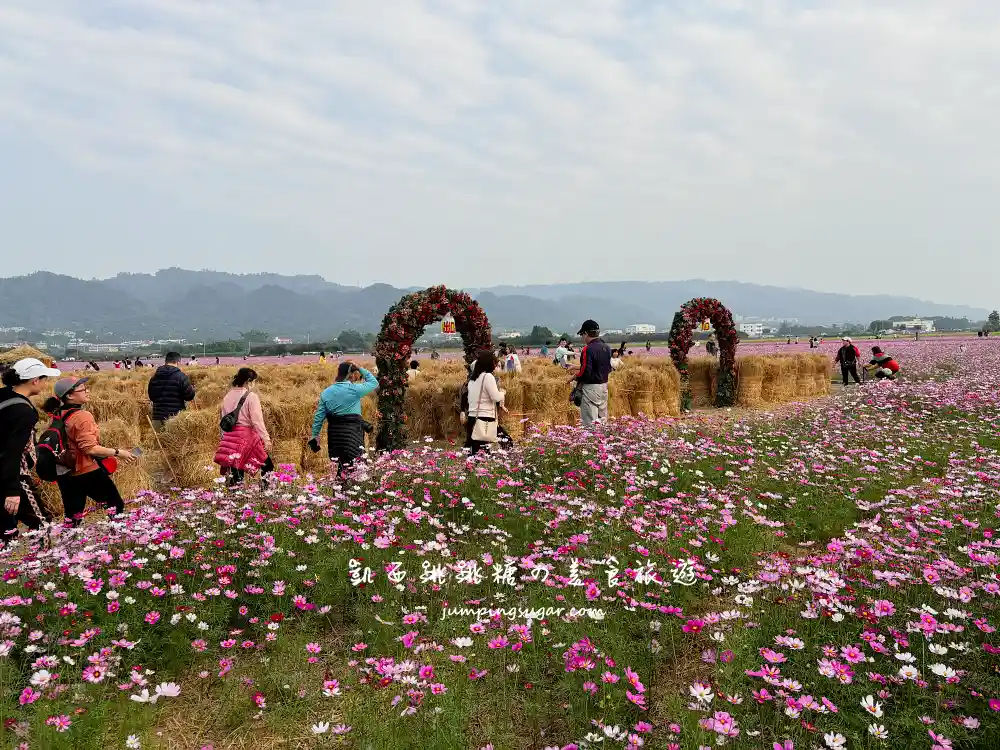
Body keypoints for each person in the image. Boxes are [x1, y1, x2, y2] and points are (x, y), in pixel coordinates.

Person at [42, 377, 136, 526]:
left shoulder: (59, 414)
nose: (88, 391)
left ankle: (68, 546)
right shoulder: (82, 416)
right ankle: (120, 538)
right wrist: (118, 452)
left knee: (72, 516)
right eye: (83, 389)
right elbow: (90, 448)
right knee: (115, 506)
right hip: (86, 471)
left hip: (65, 473)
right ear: (70, 395)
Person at [1, 358, 61, 545]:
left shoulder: (3, 397)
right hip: (13, 476)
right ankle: (45, 566)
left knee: (6, 530)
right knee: (43, 524)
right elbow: (13, 451)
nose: (45, 383)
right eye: (44, 379)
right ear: (34, 380)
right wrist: (12, 490)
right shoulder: (23, 411)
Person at [309, 362, 378, 477]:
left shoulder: (326, 393)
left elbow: (319, 417)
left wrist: (315, 435)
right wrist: (360, 368)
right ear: (350, 374)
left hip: (335, 436)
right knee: (357, 465)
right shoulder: (355, 389)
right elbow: (373, 382)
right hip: (353, 434)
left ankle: (340, 491)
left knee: (341, 465)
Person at [214, 368, 273, 487]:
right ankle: (266, 493)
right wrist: (266, 439)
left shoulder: (227, 396)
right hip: (246, 437)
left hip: (229, 437)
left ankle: (233, 500)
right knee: (267, 465)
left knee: (235, 470)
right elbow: (257, 421)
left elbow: (223, 420)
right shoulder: (251, 396)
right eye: (254, 381)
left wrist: (223, 438)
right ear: (249, 381)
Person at [571, 320, 613, 427]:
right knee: (602, 420)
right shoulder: (606, 347)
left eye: (582, 334)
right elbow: (609, 368)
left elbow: (586, 371)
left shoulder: (588, 349)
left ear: (586, 333)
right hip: (604, 387)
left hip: (591, 388)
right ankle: (603, 442)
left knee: (590, 422)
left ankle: (592, 442)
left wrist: (576, 376)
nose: (582, 337)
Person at [465, 351, 507, 455]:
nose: (496, 366)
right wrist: (502, 393)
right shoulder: (488, 377)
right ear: (489, 363)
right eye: (495, 363)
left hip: (472, 418)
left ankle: (471, 469)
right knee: (504, 443)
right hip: (485, 418)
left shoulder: (472, 379)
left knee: (475, 451)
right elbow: (495, 397)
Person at [148, 352, 196, 431]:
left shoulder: (154, 377)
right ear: (178, 361)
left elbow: (152, 397)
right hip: (175, 418)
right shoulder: (181, 377)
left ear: (166, 361)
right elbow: (189, 396)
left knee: (158, 442)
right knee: (174, 442)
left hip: (157, 418)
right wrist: (192, 389)